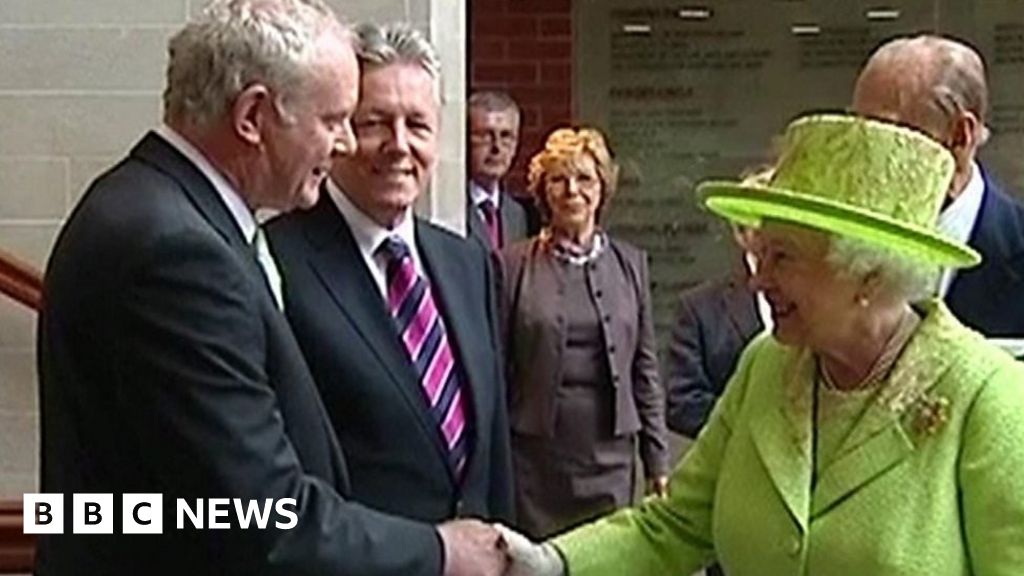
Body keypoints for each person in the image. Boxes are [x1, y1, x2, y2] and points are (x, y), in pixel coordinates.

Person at [36, 2, 505, 575]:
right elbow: (259, 518)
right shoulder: (176, 251)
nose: (344, 145)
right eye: (335, 120)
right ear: (253, 116)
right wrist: (443, 552)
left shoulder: (157, 211)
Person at [498, 114, 1024, 575]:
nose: (758, 280)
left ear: (867, 274)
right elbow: (675, 526)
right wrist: (550, 564)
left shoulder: (985, 396)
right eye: (761, 254)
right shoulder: (768, 365)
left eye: (783, 257)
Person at [267, 23, 514, 527]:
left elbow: (494, 453)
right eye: (374, 123)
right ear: (338, 132)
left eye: (417, 125)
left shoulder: (467, 263)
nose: (398, 145)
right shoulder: (276, 262)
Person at [498, 127, 669, 540]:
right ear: (542, 191)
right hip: (536, 464)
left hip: (609, 459)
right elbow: (497, 370)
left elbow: (644, 370)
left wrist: (657, 462)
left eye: (585, 179)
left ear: (602, 189)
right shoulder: (510, 266)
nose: (572, 190)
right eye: (558, 179)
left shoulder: (631, 265)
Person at [853, 34, 1024, 338]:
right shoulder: (840, 250)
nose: (865, 155)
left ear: (959, 136)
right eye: (859, 133)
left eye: (886, 134)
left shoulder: (1017, 247)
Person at [665, 173, 770, 439]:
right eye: (761, 223)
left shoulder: (821, 295)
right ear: (740, 234)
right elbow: (682, 404)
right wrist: (753, 431)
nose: (772, 235)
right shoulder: (700, 309)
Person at [466, 90, 533, 250]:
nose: (497, 147)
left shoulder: (517, 214)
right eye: (485, 135)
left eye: (506, 136)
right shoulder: (453, 209)